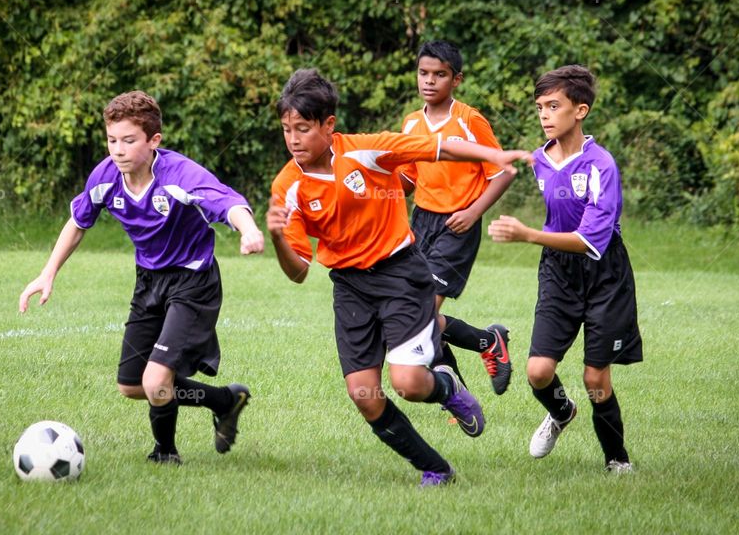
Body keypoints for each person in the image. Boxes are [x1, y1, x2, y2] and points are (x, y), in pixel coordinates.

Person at [266, 69, 532, 486]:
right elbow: (299, 271)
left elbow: (436, 147)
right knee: (364, 396)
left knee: (407, 382)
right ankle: (435, 469)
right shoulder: (288, 188)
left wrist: (492, 157)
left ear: (329, 125)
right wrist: (279, 238)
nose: (293, 139)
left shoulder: (366, 151)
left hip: (400, 274)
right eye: (286, 129)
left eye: (302, 128)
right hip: (350, 287)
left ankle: (446, 387)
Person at [19, 90, 264, 465]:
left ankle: (165, 454)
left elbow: (227, 201)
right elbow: (78, 221)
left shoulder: (180, 175)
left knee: (155, 381)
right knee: (132, 386)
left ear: (154, 141)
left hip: (192, 282)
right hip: (148, 281)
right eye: (112, 139)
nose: (117, 149)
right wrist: (47, 273)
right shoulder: (105, 177)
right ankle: (224, 400)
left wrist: (248, 231)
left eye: (128, 140)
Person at [488, 65, 642, 473]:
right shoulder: (539, 160)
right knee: (538, 372)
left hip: (604, 273)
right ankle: (561, 413)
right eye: (540, 107)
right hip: (558, 271)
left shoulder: (601, 166)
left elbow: (591, 241)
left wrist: (527, 234)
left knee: (596, 380)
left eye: (554, 106)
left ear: (581, 110)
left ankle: (617, 460)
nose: (544, 115)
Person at [397, 40, 514, 395]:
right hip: (421, 222)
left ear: (456, 80)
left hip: (457, 225)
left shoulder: (468, 120)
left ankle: (470, 368)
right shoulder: (411, 123)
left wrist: (474, 211)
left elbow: (504, 170)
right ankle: (481, 352)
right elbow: (406, 180)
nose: (429, 81)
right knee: (414, 315)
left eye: (439, 75)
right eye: (423, 73)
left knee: (421, 312)